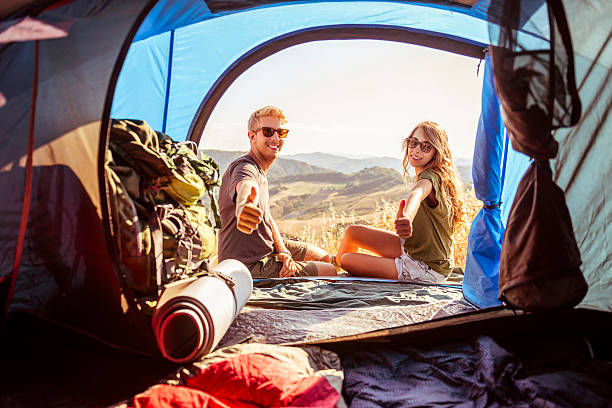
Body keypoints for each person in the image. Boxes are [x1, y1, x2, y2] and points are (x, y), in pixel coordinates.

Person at [334, 121, 463, 283]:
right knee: (353, 232)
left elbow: (417, 194)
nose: (416, 149)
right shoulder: (433, 175)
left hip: (427, 268)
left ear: (436, 152)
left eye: (426, 146)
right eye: (413, 142)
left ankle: (331, 273)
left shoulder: (430, 177)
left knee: (347, 260)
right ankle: (333, 267)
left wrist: (407, 217)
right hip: (415, 250)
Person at [217, 106, 337, 278]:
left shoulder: (260, 170)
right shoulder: (245, 167)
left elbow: (267, 218)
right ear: (252, 136)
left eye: (280, 133)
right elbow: (245, 185)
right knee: (330, 271)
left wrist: (283, 250)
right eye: (267, 131)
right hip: (248, 267)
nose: (275, 138)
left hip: (267, 248)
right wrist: (244, 204)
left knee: (326, 258)